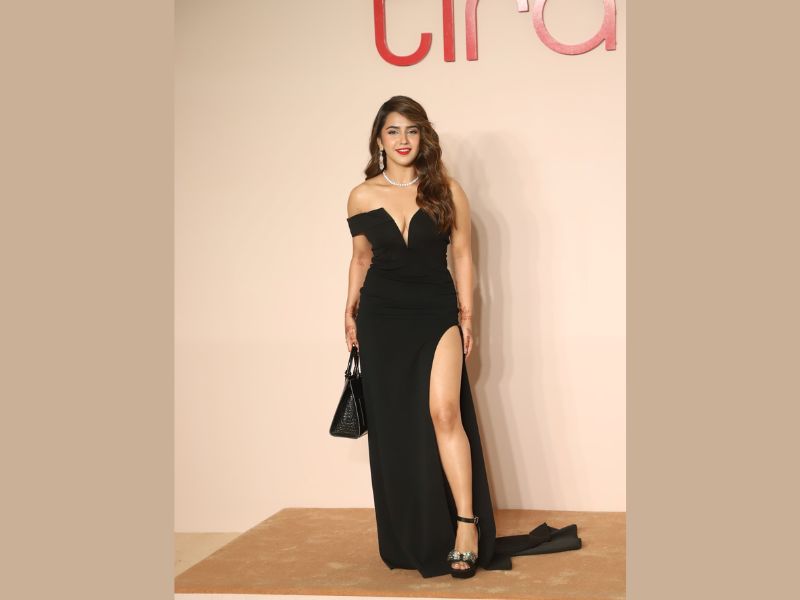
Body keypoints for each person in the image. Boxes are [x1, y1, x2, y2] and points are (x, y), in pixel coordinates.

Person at [343, 96, 581, 579]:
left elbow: (464, 254)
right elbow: (361, 257)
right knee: (395, 426)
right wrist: (349, 309)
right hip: (381, 317)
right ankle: (413, 532)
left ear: (423, 136)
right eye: (393, 131)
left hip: (435, 312)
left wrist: (466, 316)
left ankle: (466, 526)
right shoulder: (361, 196)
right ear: (379, 139)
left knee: (444, 412)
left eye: (412, 130)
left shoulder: (446, 190)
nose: (403, 140)